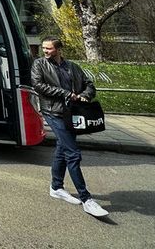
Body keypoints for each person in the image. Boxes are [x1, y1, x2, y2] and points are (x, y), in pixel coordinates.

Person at [31, 37, 109, 218]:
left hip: (70, 113)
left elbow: (89, 85)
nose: (45, 51)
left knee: (62, 148)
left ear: (58, 49)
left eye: (49, 48)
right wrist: (66, 93)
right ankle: (86, 198)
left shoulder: (72, 66)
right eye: (44, 48)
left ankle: (56, 187)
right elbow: (39, 86)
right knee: (73, 153)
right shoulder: (39, 65)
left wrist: (84, 96)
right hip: (52, 112)